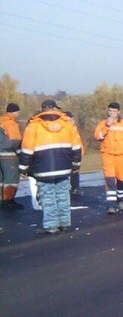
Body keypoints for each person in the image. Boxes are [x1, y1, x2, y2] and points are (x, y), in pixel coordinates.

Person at [18, 99, 82, 234]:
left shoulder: (34, 126)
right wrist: (76, 165)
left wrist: (23, 168)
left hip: (42, 169)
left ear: (43, 109)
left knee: (48, 198)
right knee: (63, 196)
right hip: (64, 167)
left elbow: (27, 150)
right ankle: (64, 223)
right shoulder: (67, 124)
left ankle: (51, 226)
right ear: (55, 108)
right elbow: (77, 147)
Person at [93, 101, 123, 215]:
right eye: (110, 110)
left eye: (114, 111)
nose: (111, 113)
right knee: (110, 180)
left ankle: (121, 200)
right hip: (108, 155)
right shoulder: (103, 124)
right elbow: (98, 136)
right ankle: (111, 205)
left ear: (118, 112)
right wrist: (107, 126)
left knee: (122, 179)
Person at [0, 102, 23, 211]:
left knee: (1, 179)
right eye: (18, 112)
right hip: (9, 157)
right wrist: (21, 155)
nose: (18, 114)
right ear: (14, 112)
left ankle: (2, 200)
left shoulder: (1, 121)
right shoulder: (11, 124)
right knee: (11, 180)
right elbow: (16, 142)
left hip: (1, 156)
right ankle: (8, 201)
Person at [63, 111, 85, 197]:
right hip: (68, 152)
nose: (72, 119)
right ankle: (67, 189)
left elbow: (77, 140)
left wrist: (80, 151)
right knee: (67, 171)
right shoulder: (65, 127)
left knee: (75, 171)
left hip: (75, 152)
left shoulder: (73, 126)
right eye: (70, 117)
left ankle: (75, 187)